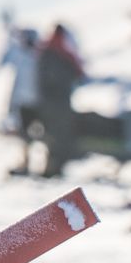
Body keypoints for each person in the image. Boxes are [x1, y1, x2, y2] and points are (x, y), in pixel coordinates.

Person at [35, 24, 86, 177]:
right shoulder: (59, 52)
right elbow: (71, 74)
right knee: (58, 136)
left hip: (51, 102)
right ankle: (53, 168)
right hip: (58, 102)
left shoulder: (47, 51)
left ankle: (53, 168)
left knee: (55, 137)